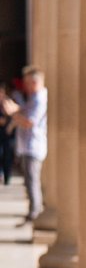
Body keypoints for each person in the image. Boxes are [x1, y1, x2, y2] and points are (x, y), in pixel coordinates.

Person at [2, 66, 48, 221]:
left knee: (32, 180)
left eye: (28, 83)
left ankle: (35, 212)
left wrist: (14, 112)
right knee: (29, 181)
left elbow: (29, 121)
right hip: (28, 145)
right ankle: (33, 210)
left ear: (34, 82)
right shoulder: (34, 98)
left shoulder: (39, 98)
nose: (25, 87)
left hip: (33, 145)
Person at [0, 83, 16, 186]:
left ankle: (7, 177)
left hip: (7, 135)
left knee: (7, 157)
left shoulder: (8, 102)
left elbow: (15, 116)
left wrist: (10, 126)